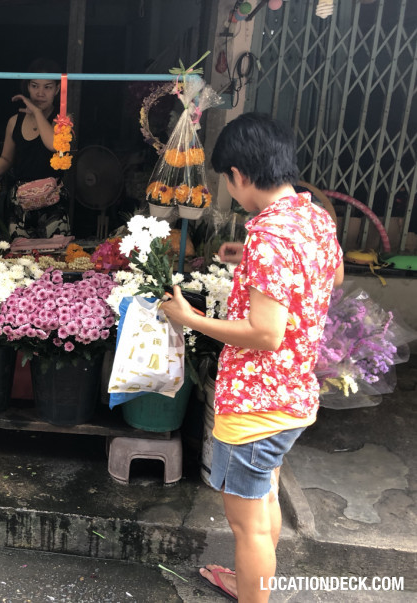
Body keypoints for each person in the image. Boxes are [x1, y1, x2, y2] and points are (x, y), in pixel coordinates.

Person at [160, 113, 343, 602]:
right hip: (296, 394)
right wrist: (249, 260)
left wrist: (189, 317)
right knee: (265, 497)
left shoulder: (270, 235)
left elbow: (264, 333)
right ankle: (250, 580)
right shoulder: (311, 216)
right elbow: (333, 275)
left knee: (249, 527)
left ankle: (253, 590)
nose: (230, 190)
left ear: (239, 174)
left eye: (227, 180)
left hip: (258, 403)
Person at [0, 58, 71, 239]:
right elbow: (6, 159)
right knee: (18, 259)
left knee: (53, 258)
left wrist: (37, 113)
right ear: (27, 87)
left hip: (52, 203)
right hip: (21, 203)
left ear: (57, 90)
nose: (40, 93)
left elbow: (55, 145)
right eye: (34, 86)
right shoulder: (14, 122)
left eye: (47, 87)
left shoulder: (63, 120)